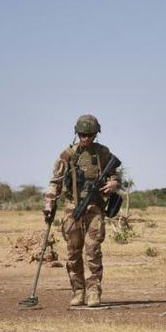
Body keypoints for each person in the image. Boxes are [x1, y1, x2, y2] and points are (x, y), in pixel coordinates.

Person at [43, 114, 120, 306]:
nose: (86, 138)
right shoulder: (68, 155)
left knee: (92, 250)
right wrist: (49, 204)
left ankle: (93, 291)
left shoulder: (103, 153)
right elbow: (55, 182)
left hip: (94, 208)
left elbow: (115, 176)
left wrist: (113, 184)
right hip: (72, 209)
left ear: (96, 134)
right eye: (83, 134)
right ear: (77, 133)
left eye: (90, 135)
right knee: (73, 253)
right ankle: (78, 291)